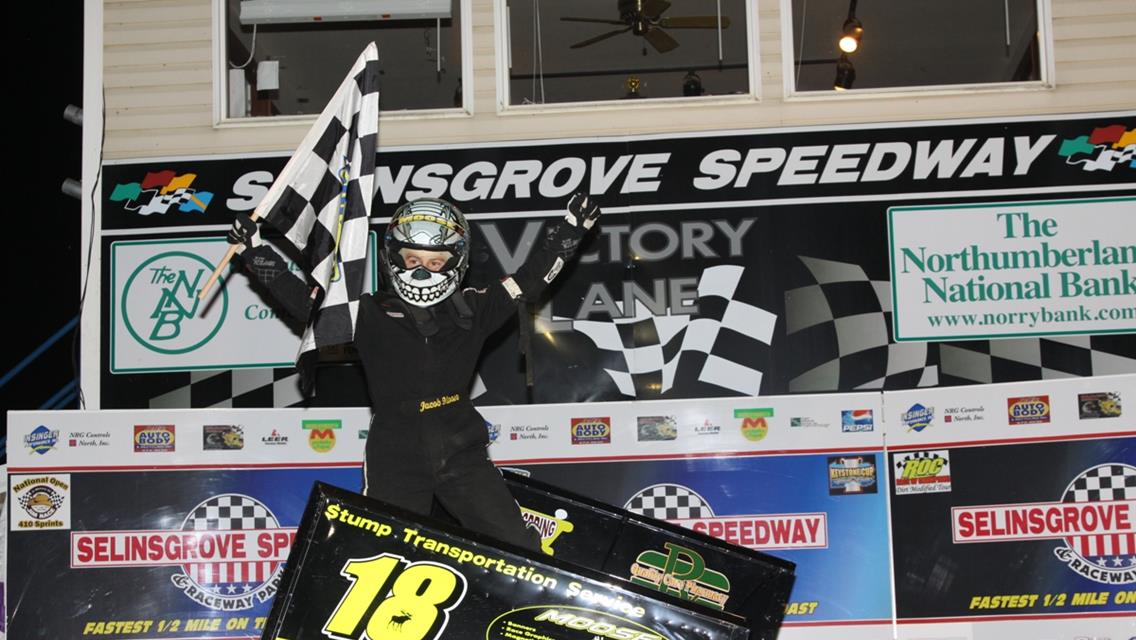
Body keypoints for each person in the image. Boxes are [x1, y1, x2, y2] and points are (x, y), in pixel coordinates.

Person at [227, 193, 601, 551]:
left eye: (435, 262)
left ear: (456, 261)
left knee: (516, 544)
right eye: (411, 260)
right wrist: (255, 251)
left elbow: (531, 279)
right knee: (383, 552)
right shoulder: (366, 312)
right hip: (395, 451)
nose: (422, 271)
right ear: (394, 258)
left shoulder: (475, 307)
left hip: (460, 447)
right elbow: (301, 301)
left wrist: (571, 229)